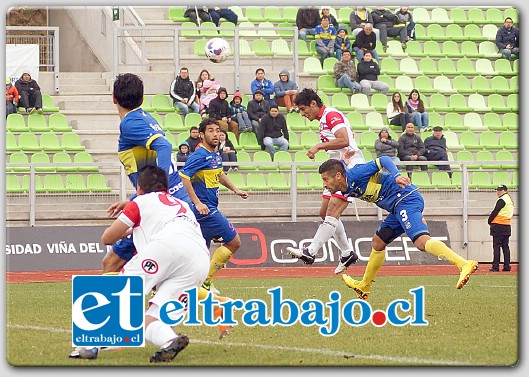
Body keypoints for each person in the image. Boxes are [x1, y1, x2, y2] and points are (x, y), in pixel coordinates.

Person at [313, 156, 478, 299]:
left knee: (421, 242)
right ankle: (364, 286)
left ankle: (463, 264)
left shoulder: (356, 174)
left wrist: (397, 175)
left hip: (406, 199)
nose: (324, 184)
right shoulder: (345, 184)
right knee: (378, 243)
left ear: (338, 176)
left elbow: (383, 160)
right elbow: (343, 166)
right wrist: (345, 159)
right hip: (396, 207)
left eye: (325, 180)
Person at [100, 165, 208, 363]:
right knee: (154, 317)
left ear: (139, 188)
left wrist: (130, 223)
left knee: (123, 287)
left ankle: (97, 341)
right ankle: (169, 340)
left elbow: (108, 238)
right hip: (200, 258)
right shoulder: (181, 205)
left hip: (168, 245)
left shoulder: (139, 201)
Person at [101, 73, 193, 277]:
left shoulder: (129, 123)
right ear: (142, 99)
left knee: (115, 264)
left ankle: (215, 302)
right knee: (114, 263)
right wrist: (135, 198)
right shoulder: (145, 118)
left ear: (114, 98)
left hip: (159, 208)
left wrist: (159, 189)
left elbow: (164, 146)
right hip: (166, 203)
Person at [288, 88, 364, 274]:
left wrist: (318, 146)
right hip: (335, 168)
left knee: (332, 211)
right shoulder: (323, 120)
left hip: (347, 169)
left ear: (314, 103)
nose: (304, 114)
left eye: (304, 109)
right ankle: (346, 252)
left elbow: (344, 140)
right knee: (325, 213)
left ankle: (310, 251)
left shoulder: (331, 114)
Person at [179, 118, 249, 292]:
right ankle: (205, 282)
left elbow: (220, 175)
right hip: (205, 210)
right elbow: (184, 176)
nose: (215, 134)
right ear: (201, 135)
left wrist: (235, 190)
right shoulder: (199, 155)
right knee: (234, 241)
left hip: (210, 208)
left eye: (217, 130)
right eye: (210, 130)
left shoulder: (215, 155)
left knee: (201, 253)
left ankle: (191, 284)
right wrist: (197, 202)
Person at [488, 184, 513, 272]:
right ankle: (507, 266)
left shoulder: (502, 200)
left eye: (499, 190)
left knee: (497, 246)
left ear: (504, 190)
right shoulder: (509, 200)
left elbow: (495, 211)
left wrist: (489, 220)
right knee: (505, 246)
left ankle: (495, 266)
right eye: (497, 190)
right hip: (507, 225)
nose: (497, 192)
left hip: (498, 225)